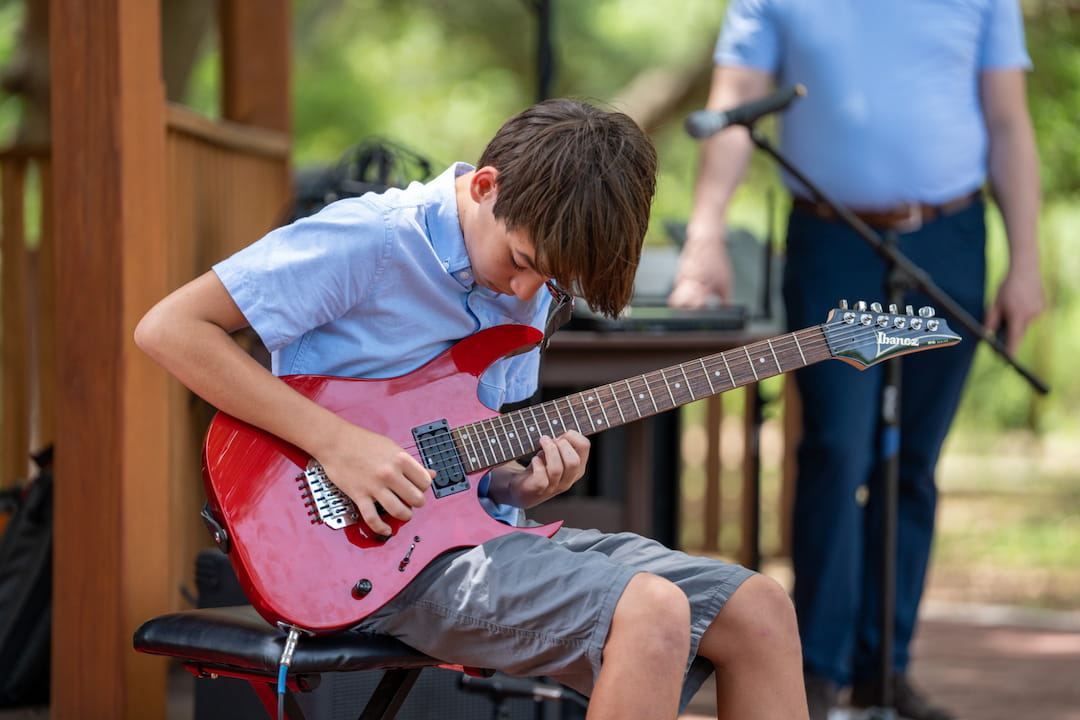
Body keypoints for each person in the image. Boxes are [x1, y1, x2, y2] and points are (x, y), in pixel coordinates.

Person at [135, 98, 809, 720]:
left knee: (760, 609)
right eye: (520, 260)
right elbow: (169, 329)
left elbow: (471, 461)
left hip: (473, 536)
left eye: (549, 280)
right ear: (485, 186)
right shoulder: (368, 241)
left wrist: (521, 482)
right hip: (366, 552)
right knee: (653, 610)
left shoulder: (531, 292)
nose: (526, 290)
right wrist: (338, 444)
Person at [669, 2, 1044, 719]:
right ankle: (814, 671)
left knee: (913, 465)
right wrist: (706, 231)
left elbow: (1007, 122)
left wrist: (1025, 261)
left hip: (949, 237)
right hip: (830, 239)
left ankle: (885, 670)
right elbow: (733, 105)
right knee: (837, 449)